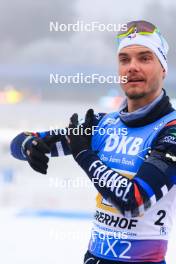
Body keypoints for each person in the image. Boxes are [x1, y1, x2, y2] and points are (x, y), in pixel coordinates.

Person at [10, 20, 176, 264]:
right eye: (124, 60)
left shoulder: (170, 131)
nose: (132, 67)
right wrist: (29, 146)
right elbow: (21, 143)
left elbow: (133, 201)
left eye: (144, 58)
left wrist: (84, 155)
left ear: (163, 69)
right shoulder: (102, 124)